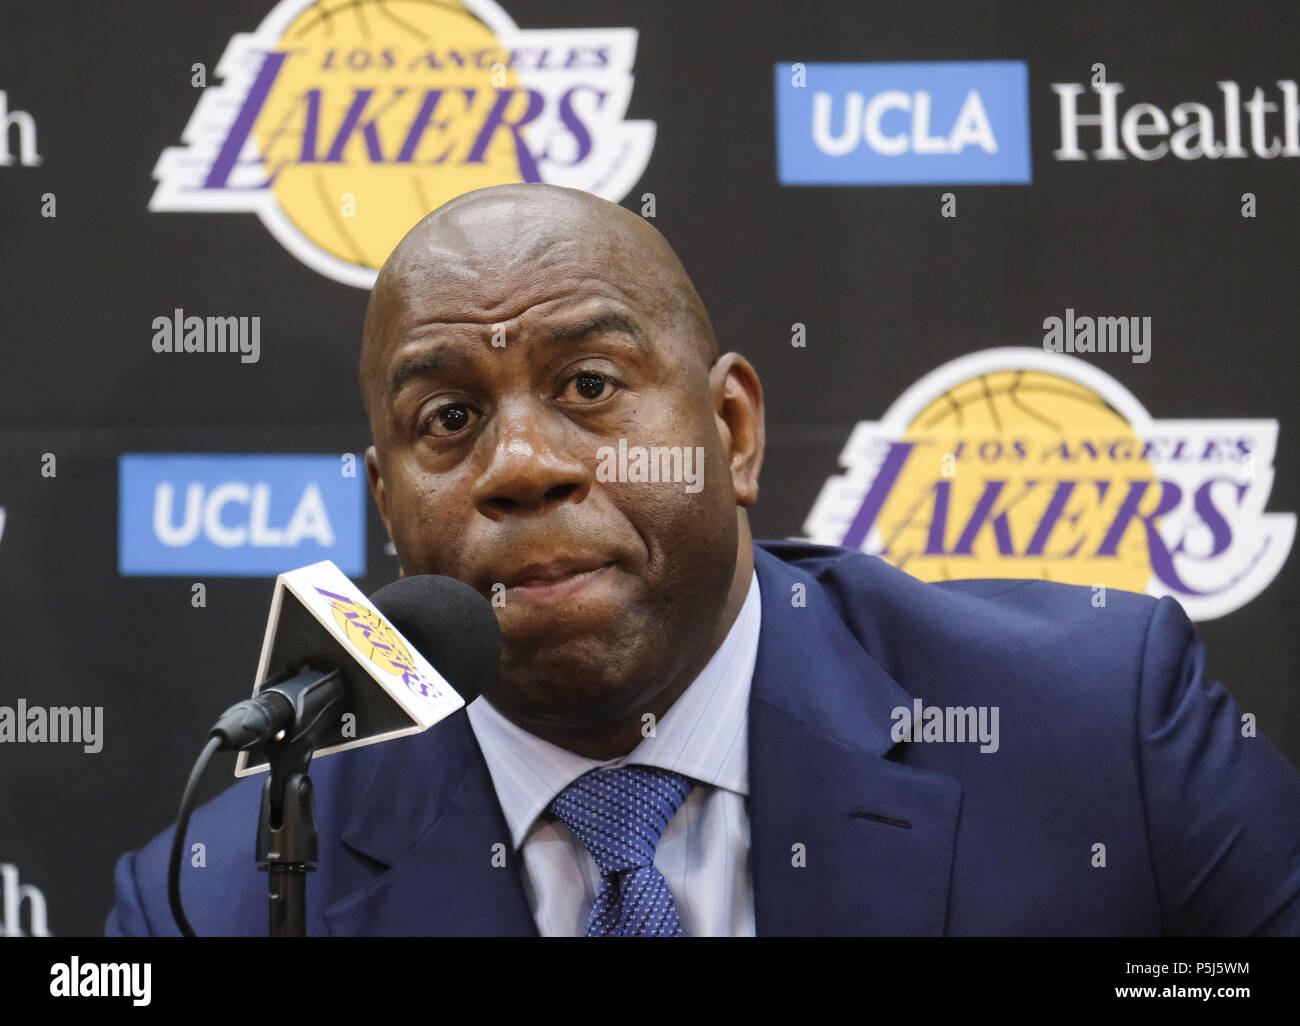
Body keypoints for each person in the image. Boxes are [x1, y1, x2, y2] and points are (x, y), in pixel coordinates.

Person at [106, 184, 1300, 936]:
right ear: (387, 499)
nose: (521, 464)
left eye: (588, 386)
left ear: (731, 431)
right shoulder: (221, 896)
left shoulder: (1098, 731)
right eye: (449, 421)